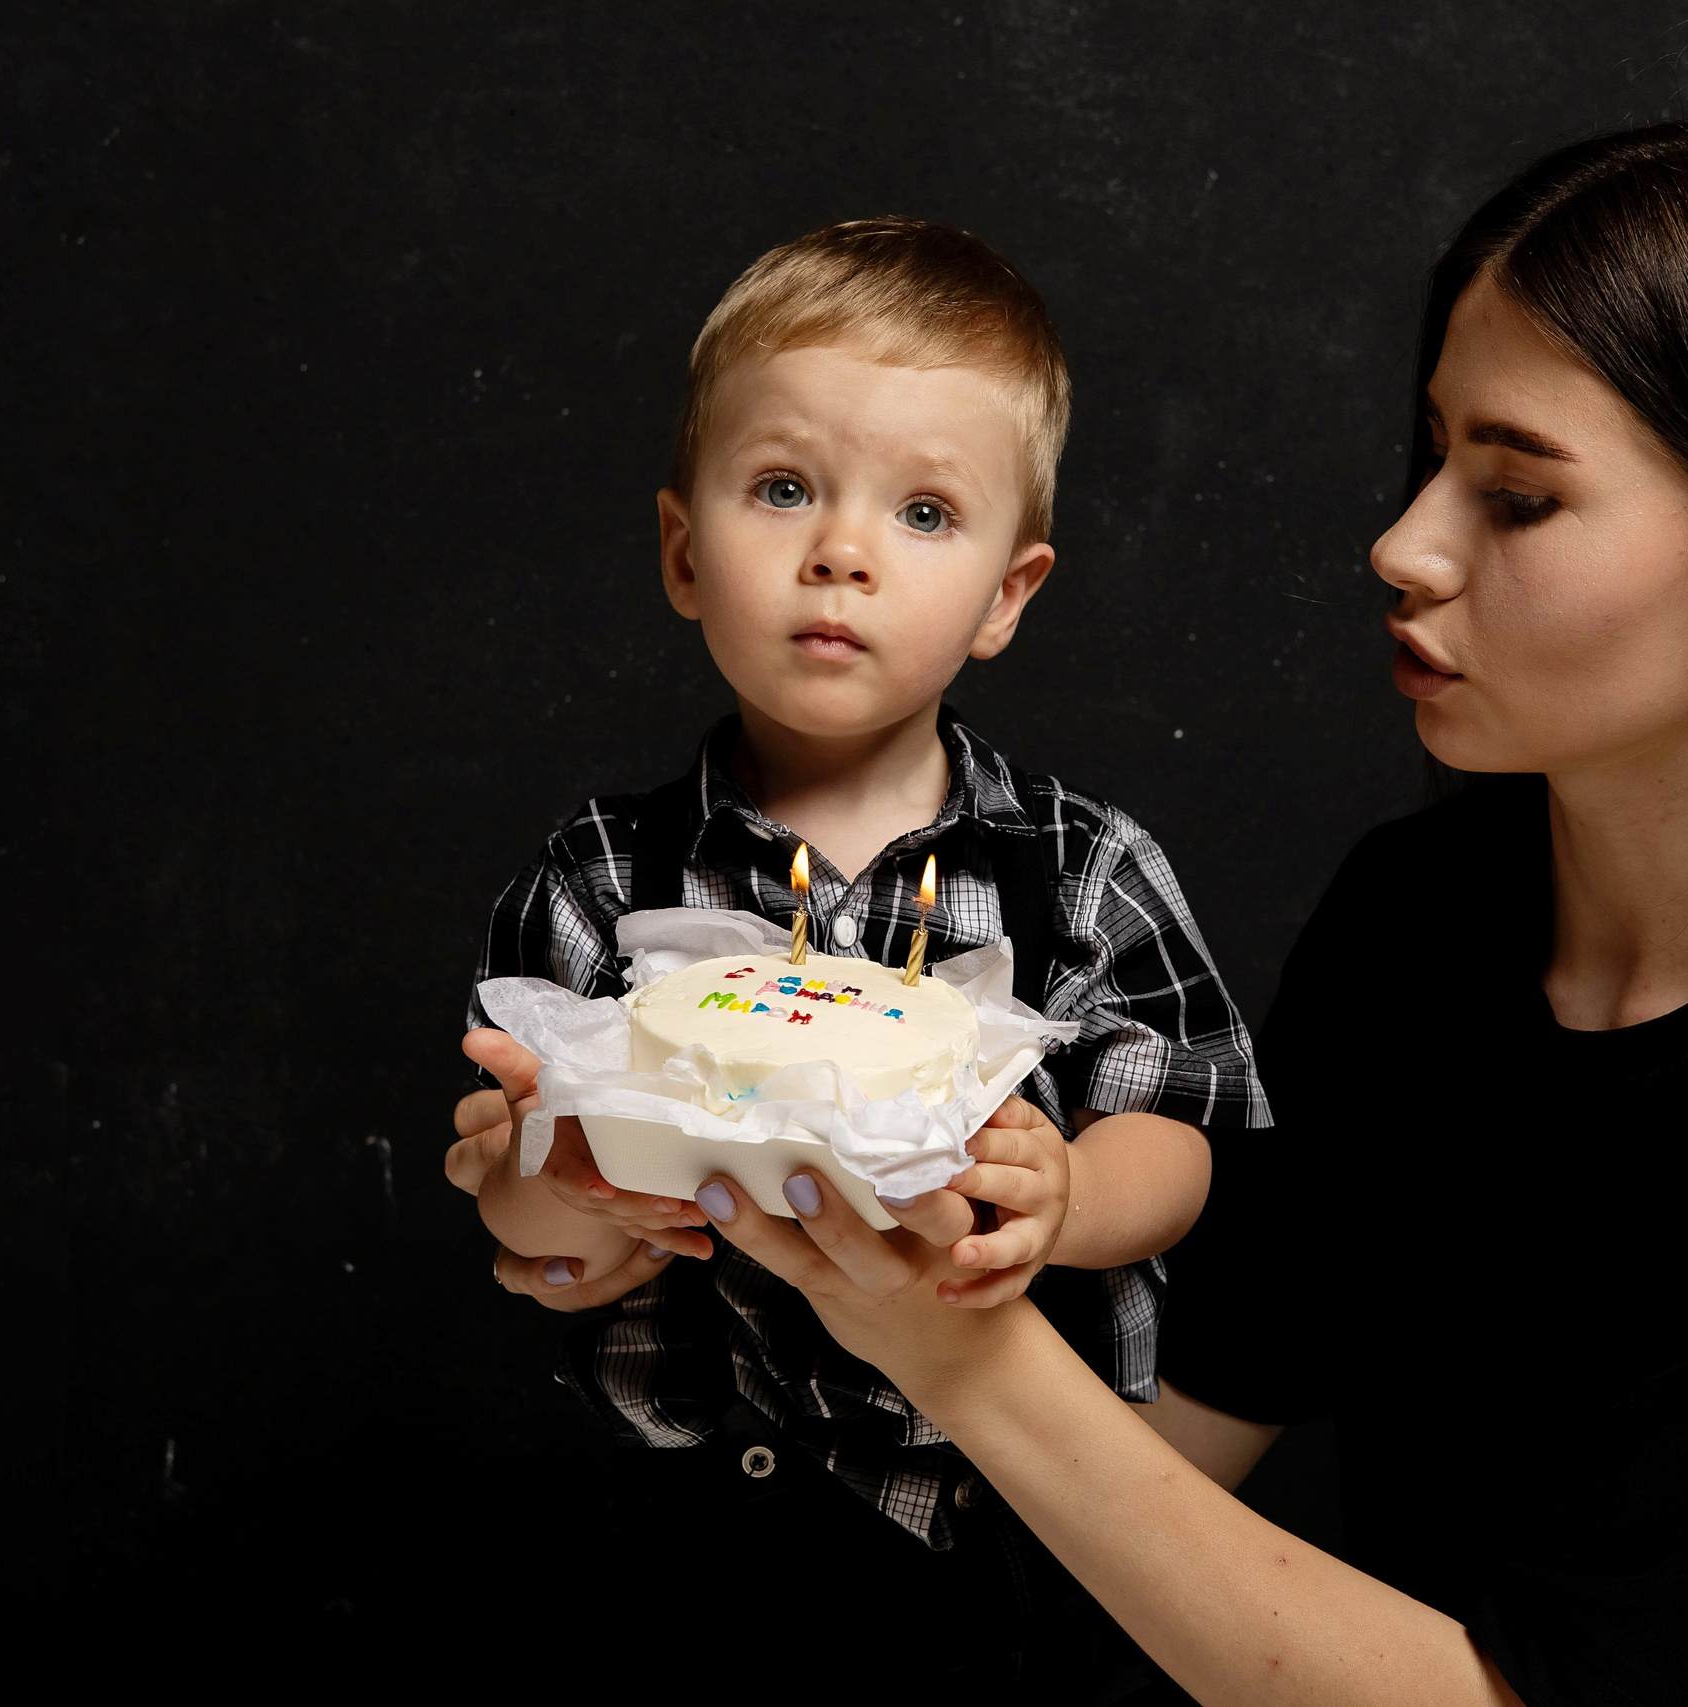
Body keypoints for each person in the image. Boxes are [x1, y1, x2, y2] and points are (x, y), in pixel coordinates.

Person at [680, 121, 1688, 1704]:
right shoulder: (1421, 927)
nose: (1402, 546)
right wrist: (711, 1223)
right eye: (1431, 456)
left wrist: (956, 1355)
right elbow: (1153, 1476)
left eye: (1519, 492)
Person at [441, 218, 1264, 1691]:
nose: (841, 552)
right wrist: (546, 1177)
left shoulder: (1081, 872)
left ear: (1011, 595)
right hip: (706, 1525)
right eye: (782, 490)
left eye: (926, 515)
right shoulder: (598, 879)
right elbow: (539, 1237)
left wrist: (1067, 1193)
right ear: (685, 555)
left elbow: (1187, 1135)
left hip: (1020, 1515)